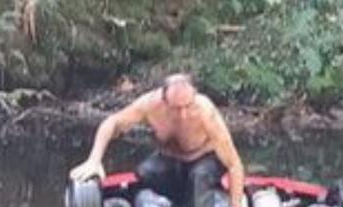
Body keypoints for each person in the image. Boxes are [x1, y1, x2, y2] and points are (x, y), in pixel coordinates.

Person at [69, 74, 244, 207]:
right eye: (176, 108)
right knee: (145, 172)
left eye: (188, 106)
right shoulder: (150, 105)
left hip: (204, 160)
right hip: (170, 159)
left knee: (199, 177)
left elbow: (234, 164)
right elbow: (113, 122)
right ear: (164, 100)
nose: (183, 115)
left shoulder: (206, 112)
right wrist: (94, 159)